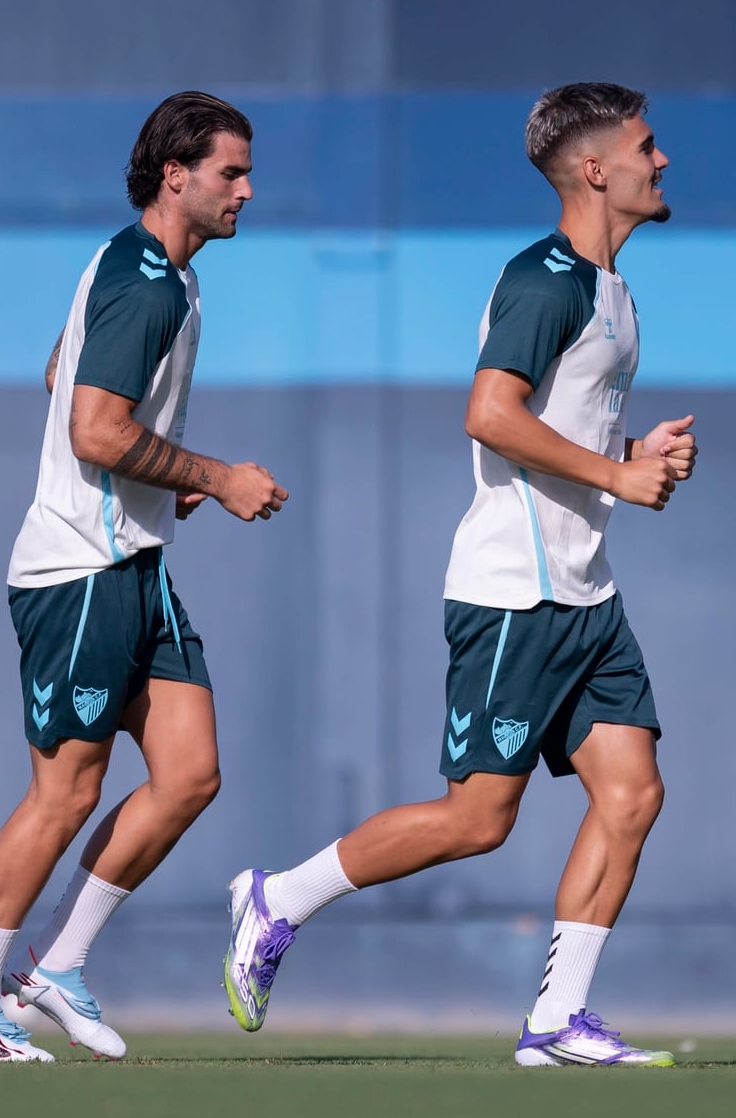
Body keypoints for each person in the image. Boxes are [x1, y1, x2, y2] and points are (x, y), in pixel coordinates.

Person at [223, 82, 697, 1067]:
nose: (662, 162)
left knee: (631, 793)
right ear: (593, 168)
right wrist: (616, 472)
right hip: (512, 594)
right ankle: (279, 899)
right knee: (477, 819)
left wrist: (633, 446)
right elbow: (488, 414)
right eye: (646, 147)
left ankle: (556, 1021)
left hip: (585, 595)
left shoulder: (612, 291)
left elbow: (555, 425)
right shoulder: (546, 279)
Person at [0, 91, 288, 1062]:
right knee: (66, 793)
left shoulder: (150, 269)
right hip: (77, 570)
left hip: (133, 560)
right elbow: (91, 426)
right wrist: (213, 475)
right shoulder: (149, 284)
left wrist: (156, 479)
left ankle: (55, 968)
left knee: (188, 773)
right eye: (229, 172)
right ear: (175, 175)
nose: (246, 190)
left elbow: (62, 374)